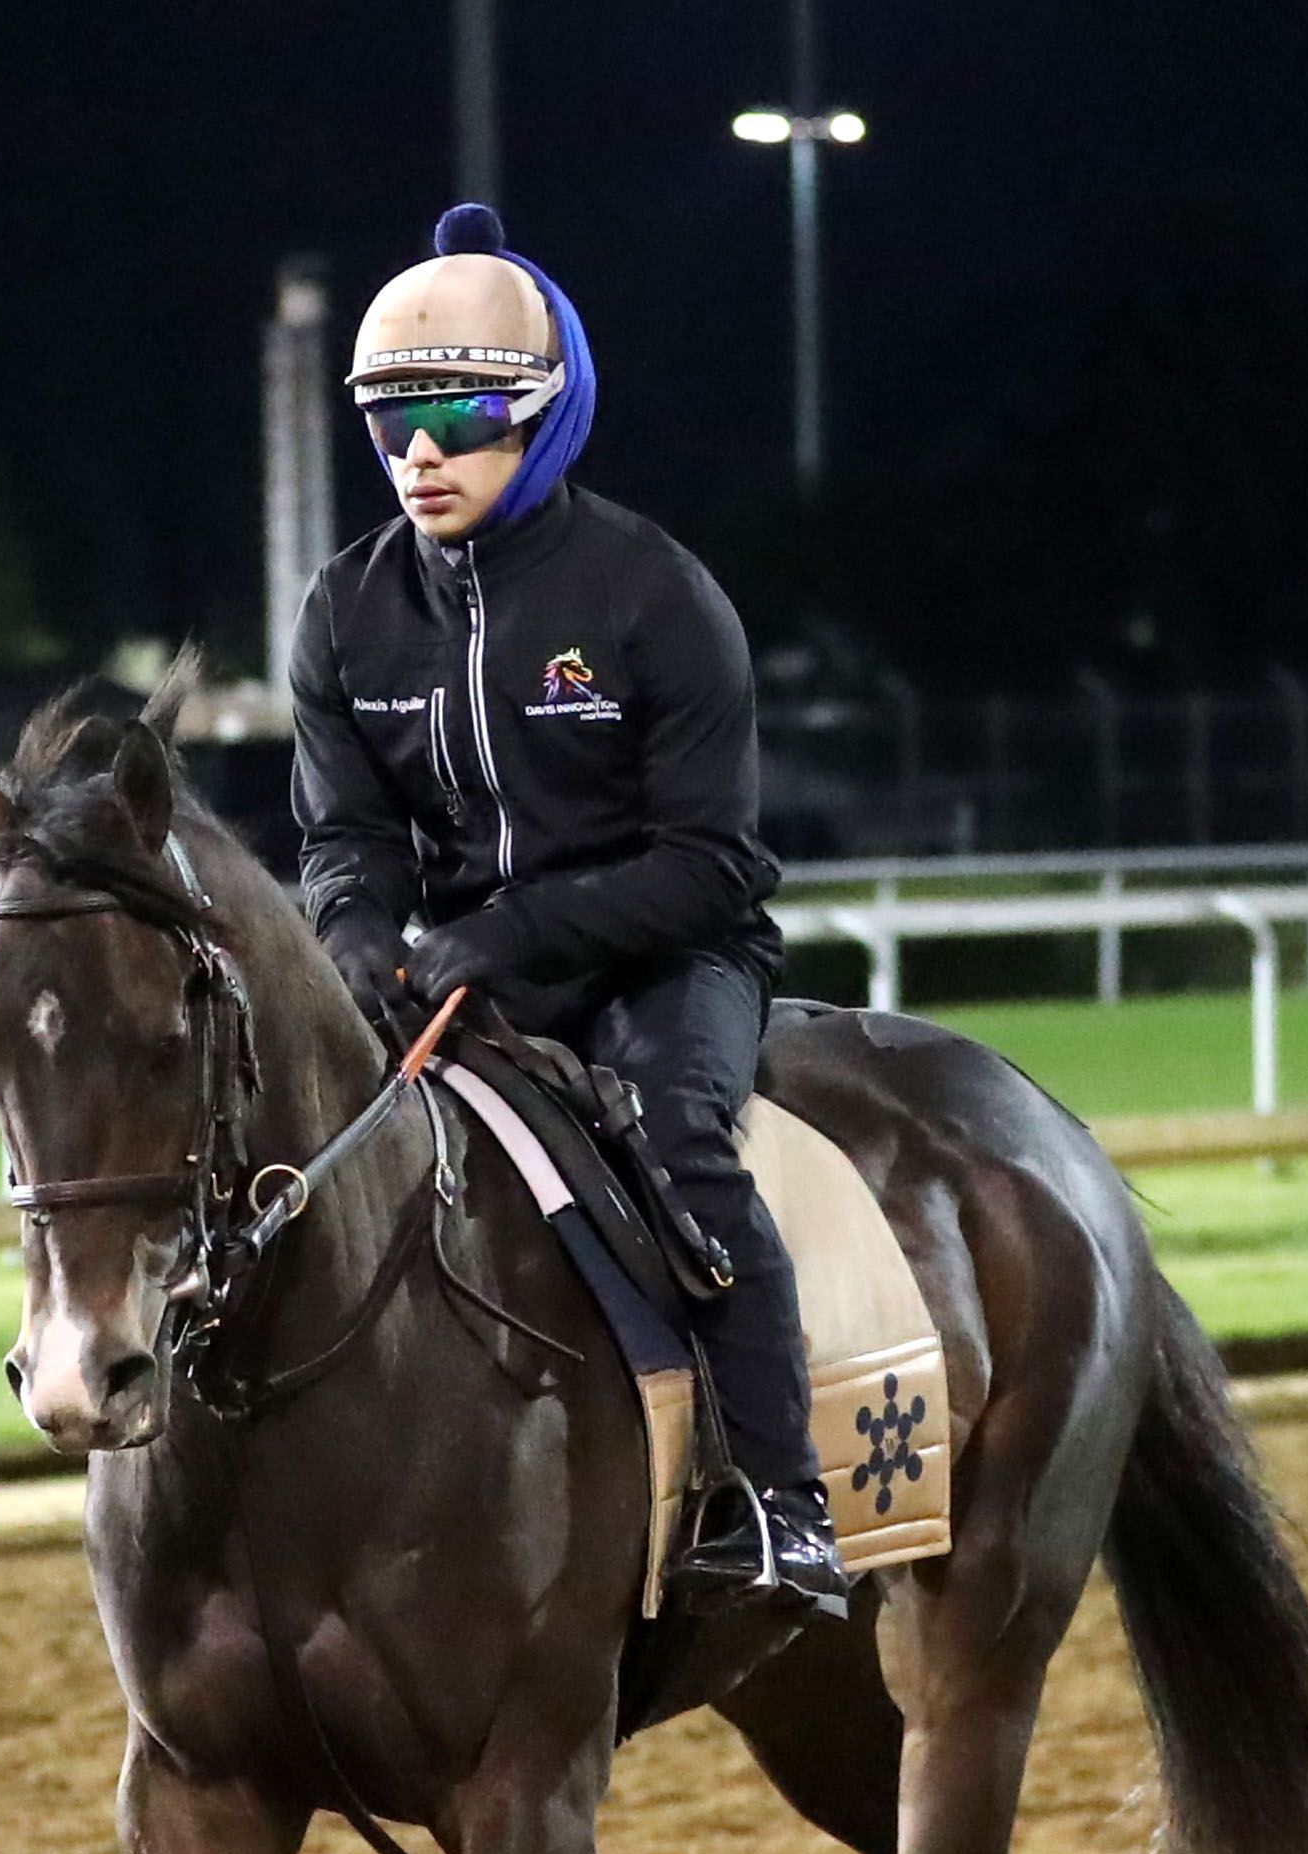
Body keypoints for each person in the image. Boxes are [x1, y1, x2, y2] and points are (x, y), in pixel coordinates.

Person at [288, 202, 846, 1611]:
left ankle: (788, 1508)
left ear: (546, 413)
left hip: (671, 959)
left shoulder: (659, 596)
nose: (422, 456)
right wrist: (355, 928)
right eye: (390, 420)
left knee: (678, 1141)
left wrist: (510, 934)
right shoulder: (344, 613)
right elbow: (344, 832)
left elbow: (714, 865)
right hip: (460, 970)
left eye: (464, 414)